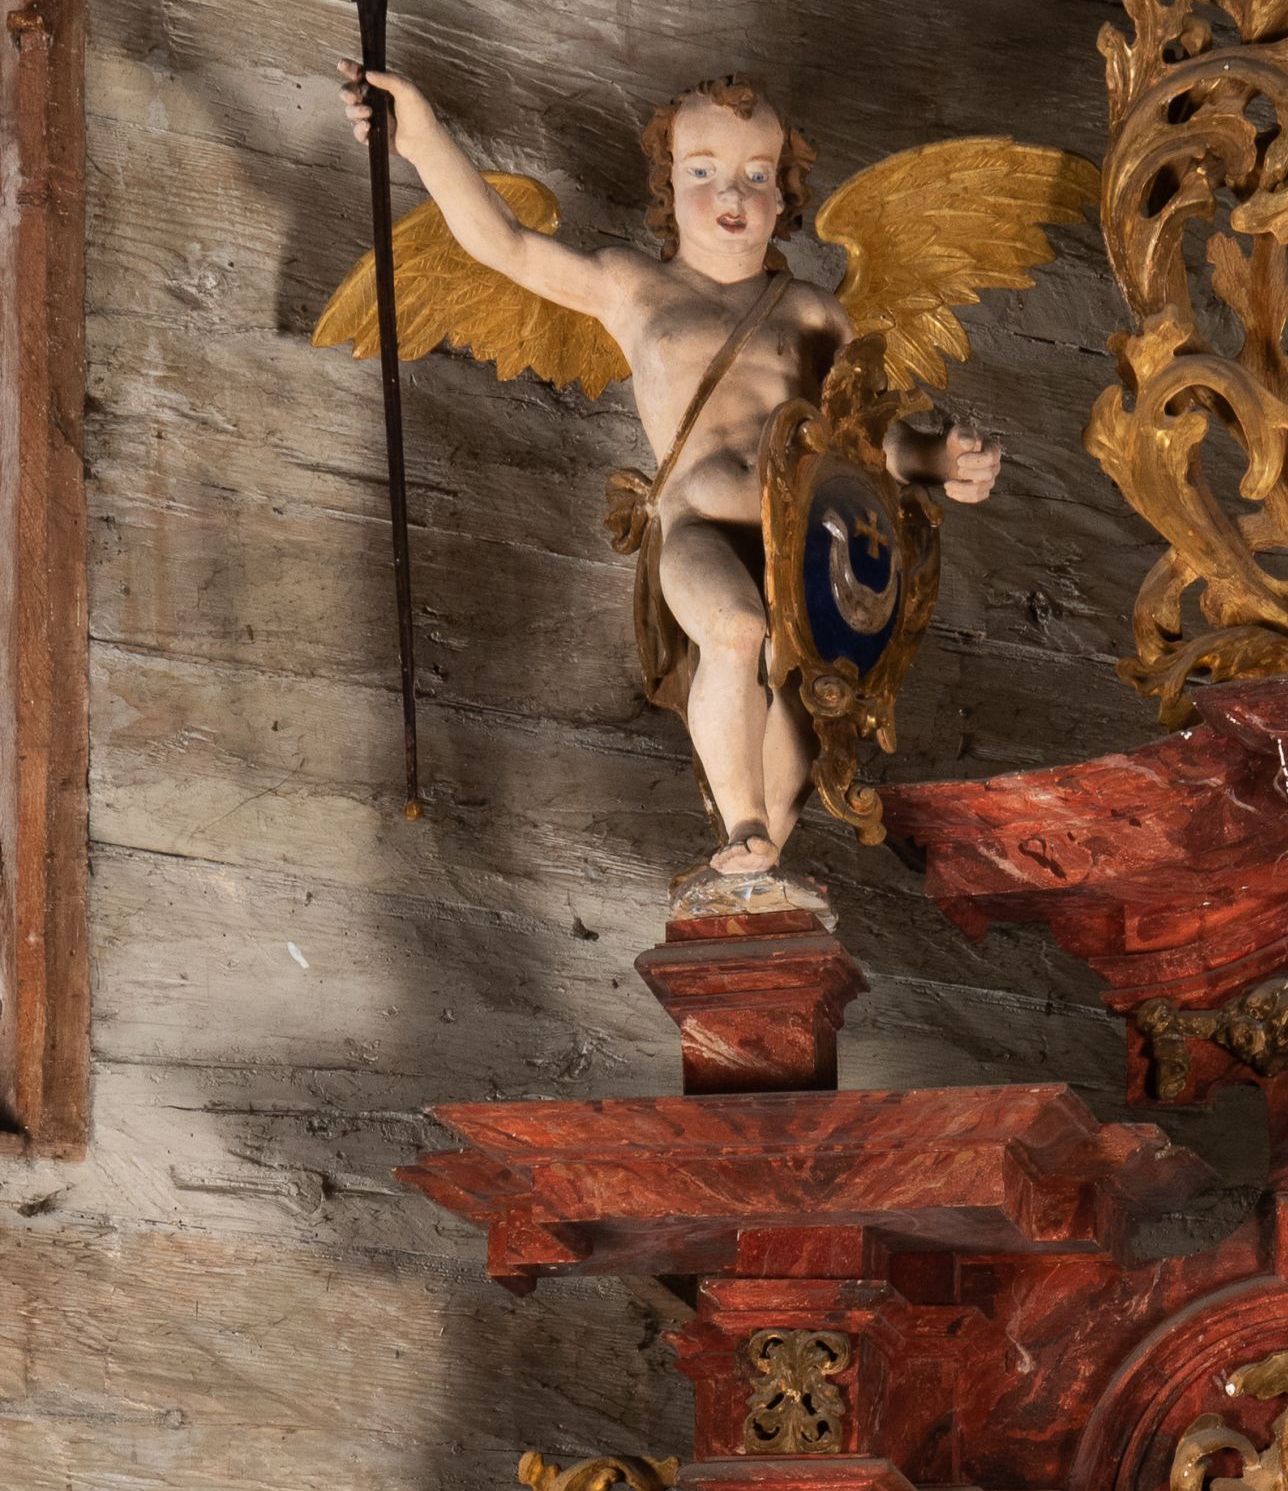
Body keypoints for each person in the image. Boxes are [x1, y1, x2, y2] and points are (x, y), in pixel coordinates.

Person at [335, 63, 1000, 894]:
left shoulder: (811, 312)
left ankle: (757, 862)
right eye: (704, 171)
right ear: (669, 184)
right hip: (693, 527)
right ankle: (744, 826)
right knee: (735, 630)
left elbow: (862, 441)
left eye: (756, 175)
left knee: (804, 698)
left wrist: (939, 460)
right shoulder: (634, 288)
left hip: (804, 552)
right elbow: (505, 244)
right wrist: (422, 138)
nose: (732, 194)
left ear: (784, 192)